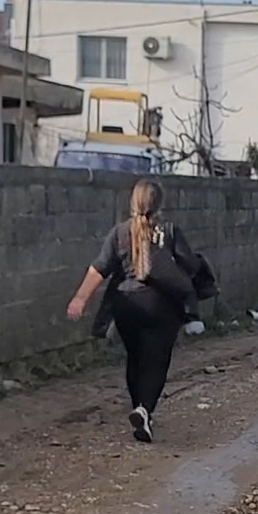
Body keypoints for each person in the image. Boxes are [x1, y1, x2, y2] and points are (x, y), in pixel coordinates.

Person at [66, 180, 207, 443]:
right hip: (161, 306)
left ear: (133, 202)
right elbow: (190, 264)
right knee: (157, 360)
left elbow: (99, 268)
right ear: (160, 203)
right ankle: (145, 409)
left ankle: (139, 408)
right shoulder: (169, 231)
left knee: (135, 357)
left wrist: (80, 298)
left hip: (126, 305)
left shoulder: (119, 232)